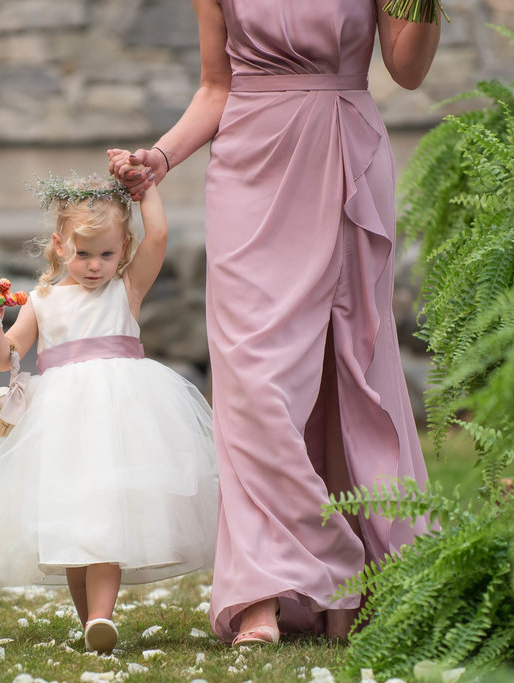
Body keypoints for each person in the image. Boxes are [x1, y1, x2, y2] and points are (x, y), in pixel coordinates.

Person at [108, 1, 440, 647]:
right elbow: (216, 86)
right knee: (254, 378)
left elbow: (407, 70)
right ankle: (267, 585)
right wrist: (162, 156)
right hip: (250, 170)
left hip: (343, 158)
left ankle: (359, 582)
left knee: (349, 367)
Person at [0, 174, 218, 654]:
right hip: (61, 420)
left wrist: (147, 186)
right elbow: (8, 357)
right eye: (84, 253)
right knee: (70, 513)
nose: (95, 266)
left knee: (107, 508)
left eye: (107, 255)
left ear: (123, 249)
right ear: (58, 245)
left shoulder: (127, 287)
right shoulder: (42, 301)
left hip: (121, 413)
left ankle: (101, 616)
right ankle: (91, 622)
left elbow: (159, 236)